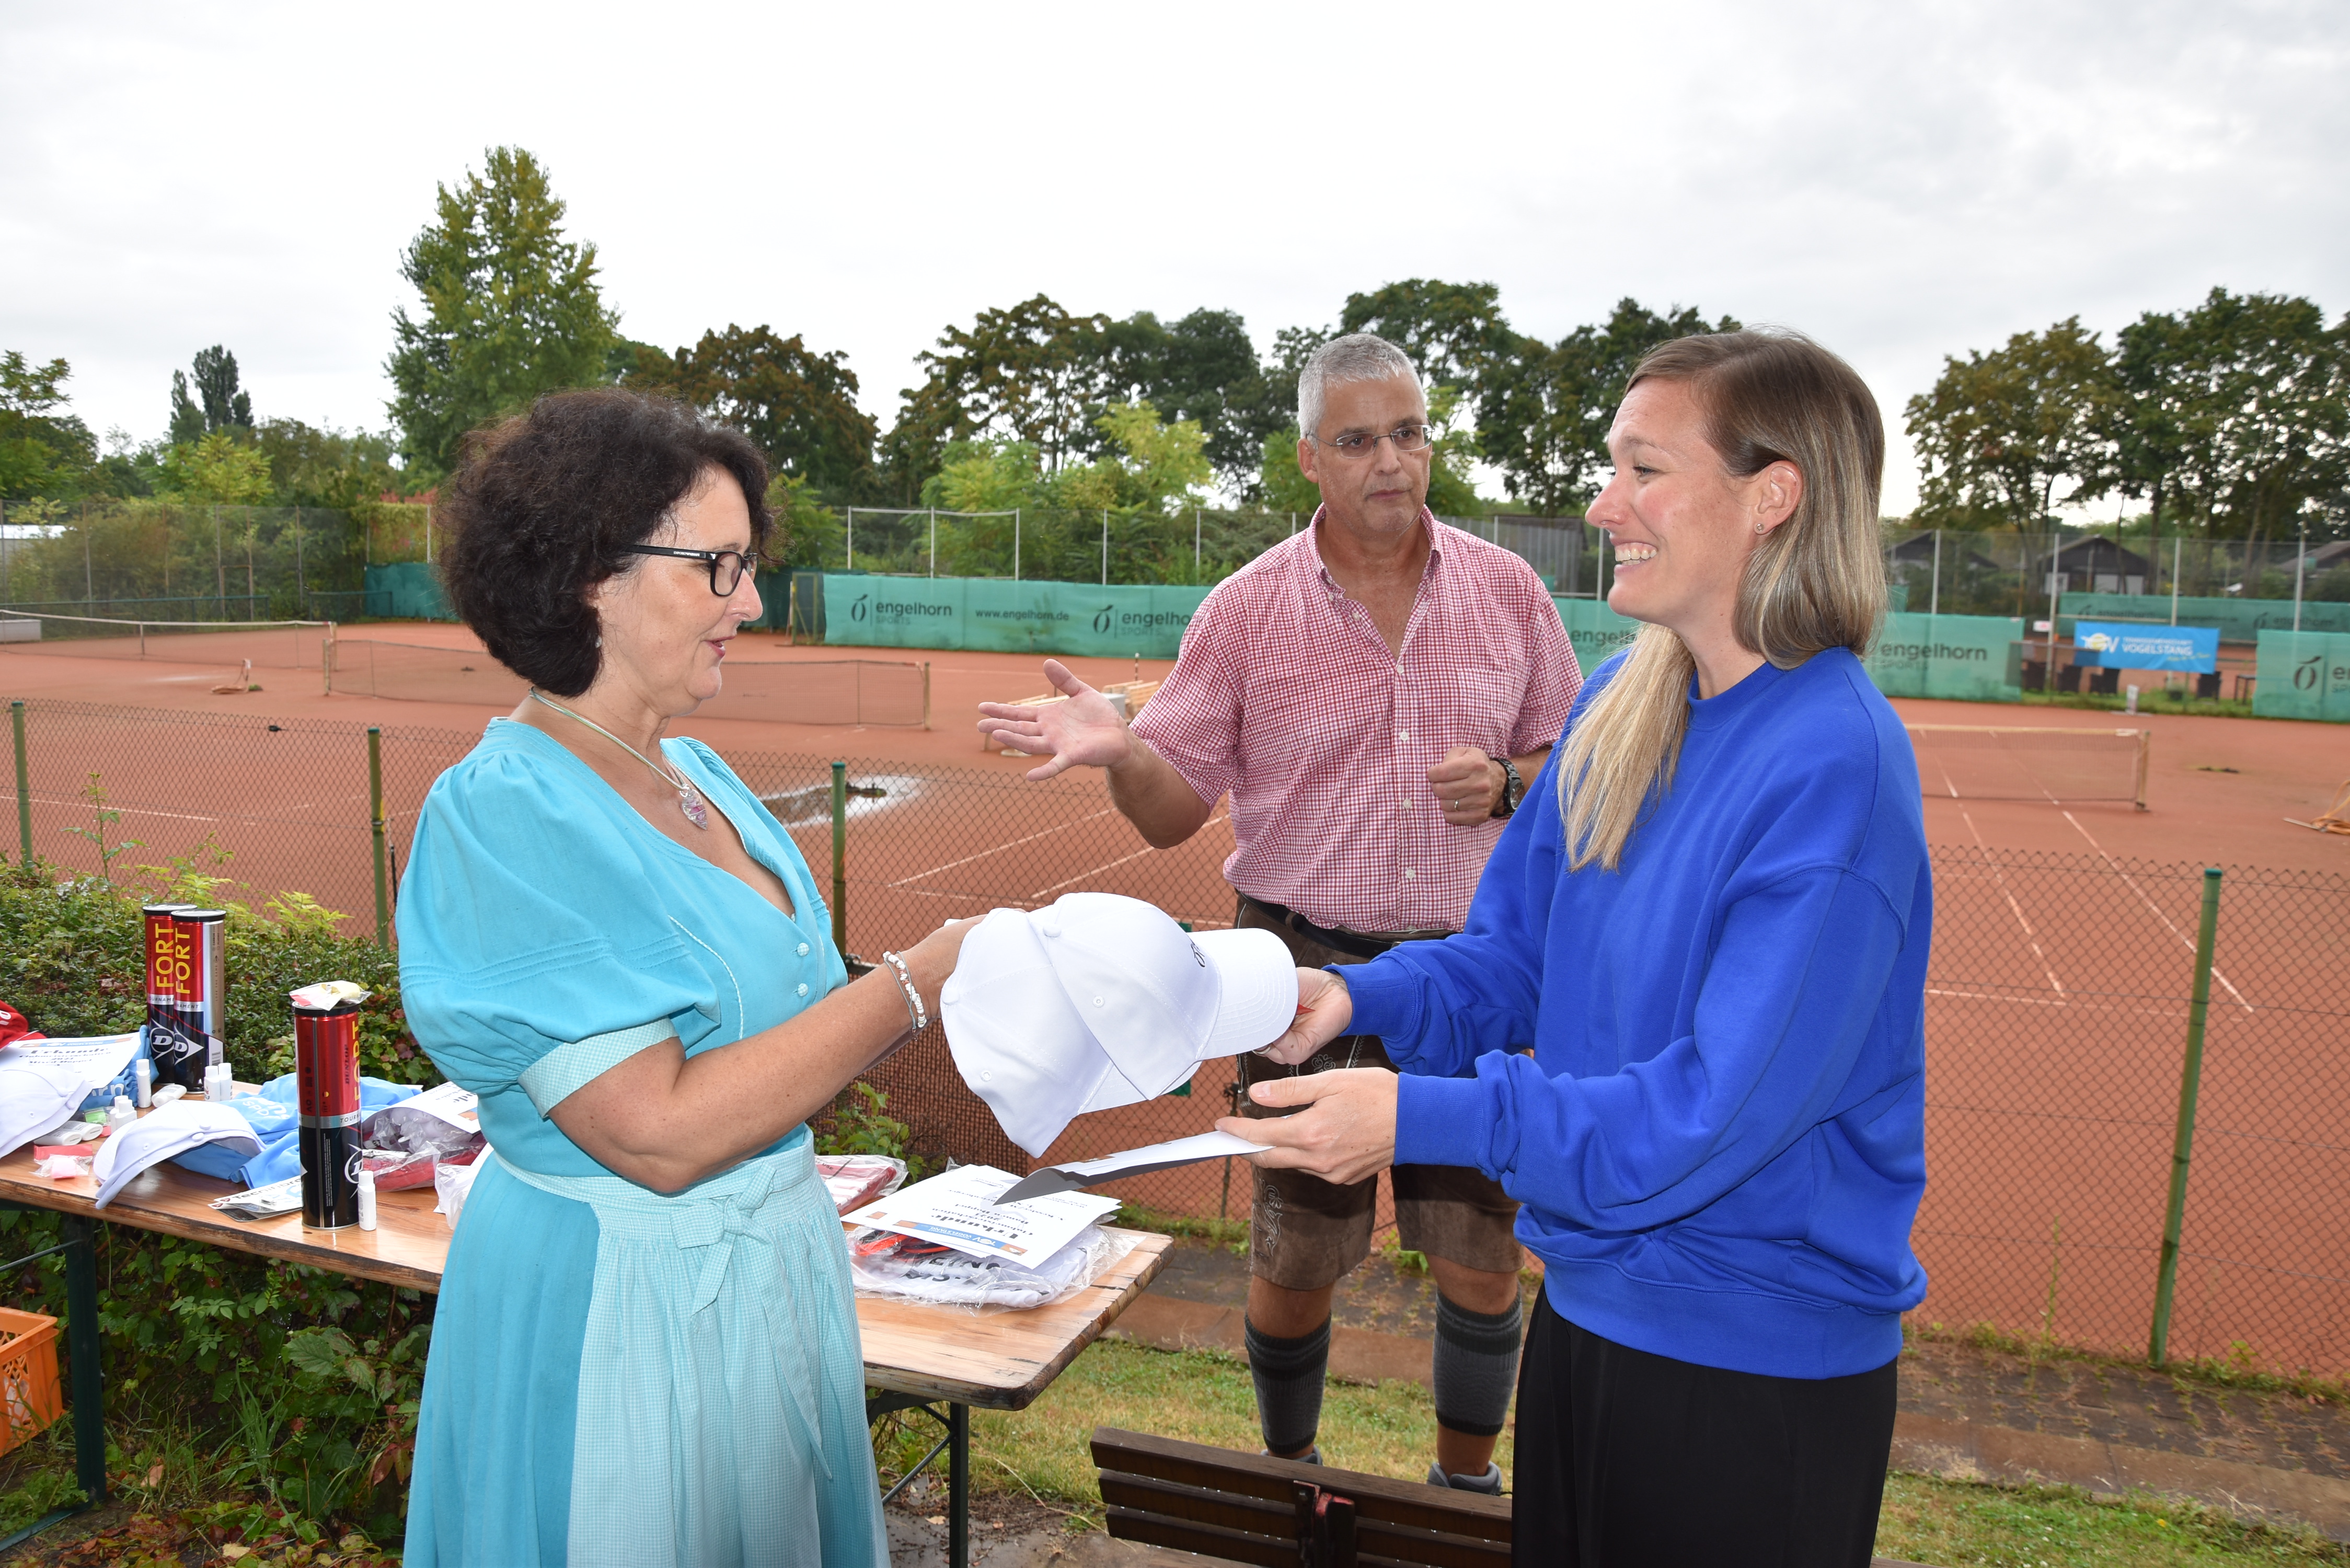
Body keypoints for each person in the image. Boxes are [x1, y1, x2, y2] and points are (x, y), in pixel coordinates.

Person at [1220, 329, 1930, 1565]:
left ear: (1772, 497)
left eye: (1644, 470)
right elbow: (1515, 962)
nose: (1604, 505)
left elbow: (1705, 1116)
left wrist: (1417, 1117)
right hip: (1592, 1320)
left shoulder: (1834, 767)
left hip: (1754, 1373)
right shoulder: (1621, 701)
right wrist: (1344, 995)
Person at [977, 332, 1581, 1492]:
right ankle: (1291, 1483)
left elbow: (1573, 759)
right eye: (1357, 441)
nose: (1389, 461)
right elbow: (1172, 813)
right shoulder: (1246, 609)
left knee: (1481, 1260)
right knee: (1297, 1262)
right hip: (1300, 976)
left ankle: (1462, 1490)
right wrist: (1123, 753)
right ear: (1309, 457)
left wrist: (1513, 781)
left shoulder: (1509, 591)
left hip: (1475, 978)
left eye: (1407, 433)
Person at [397, 388, 973, 1567]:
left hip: (766, 1283)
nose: (749, 603)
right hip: (620, 1308)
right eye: (718, 566)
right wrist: (914, 984)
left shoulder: (699, 772)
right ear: (589, 578)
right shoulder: (507, 812)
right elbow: (654, 1135)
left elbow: (774, 1020)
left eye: (748, 566)